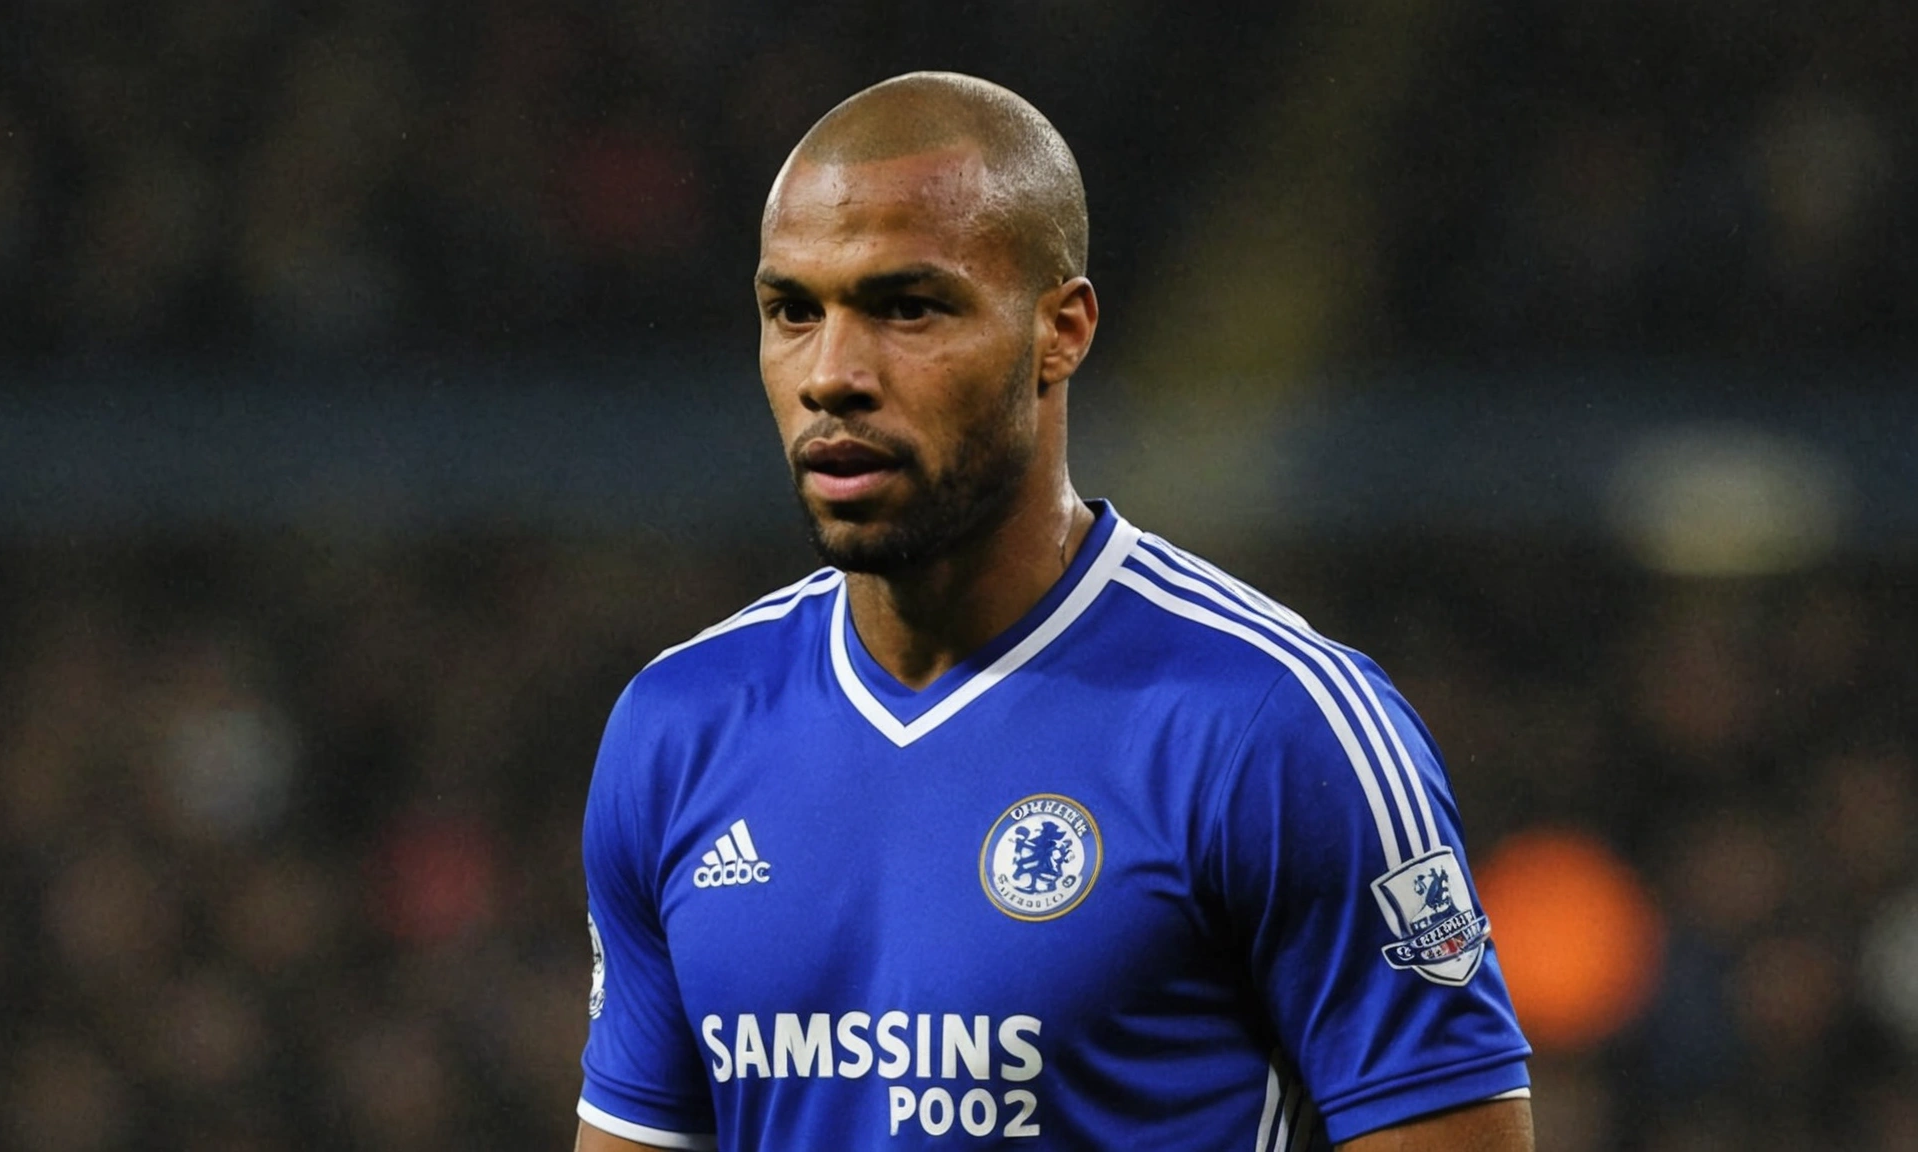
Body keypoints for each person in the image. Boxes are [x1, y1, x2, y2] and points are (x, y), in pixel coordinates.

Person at [574, 72, 1533, 1151]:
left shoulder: (1276, 727)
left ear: (1061, 331)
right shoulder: (678, 728)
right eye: (794, 311)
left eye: (907, 307)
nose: (831, 374)